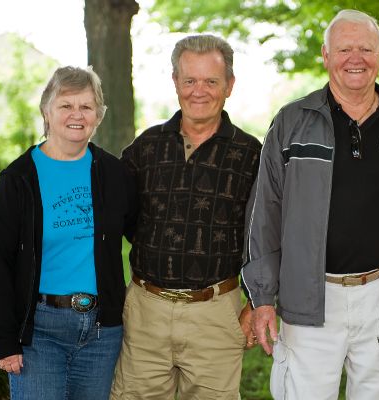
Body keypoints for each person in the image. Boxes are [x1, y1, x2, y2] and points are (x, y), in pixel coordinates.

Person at [242, 9, 379, 400]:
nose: (355, 58)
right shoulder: (292, 122)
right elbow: (264, 213)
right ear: (326, 56)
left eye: (365, 48)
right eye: (344, 49)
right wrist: (261, 298)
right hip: (309, 297)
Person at [110, 34, 262, 399]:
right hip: (146, 311)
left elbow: (267, 236)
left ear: (229, 86)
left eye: (211, 81)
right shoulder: (144, 149)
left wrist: (257, 304)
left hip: (215, 314)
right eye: (190, 80)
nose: (199, 90)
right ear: (176, 82)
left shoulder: (251, 155)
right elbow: (125, 220)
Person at [0, 66, 137, 399]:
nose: (76, 114)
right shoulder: (19, 179)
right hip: (39, 331)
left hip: (102, 331)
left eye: (86, 106)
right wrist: (4, 340)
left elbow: (142, 234)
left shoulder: (113, 173)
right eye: (66, 105)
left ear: (99, 114)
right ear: (46, 110)